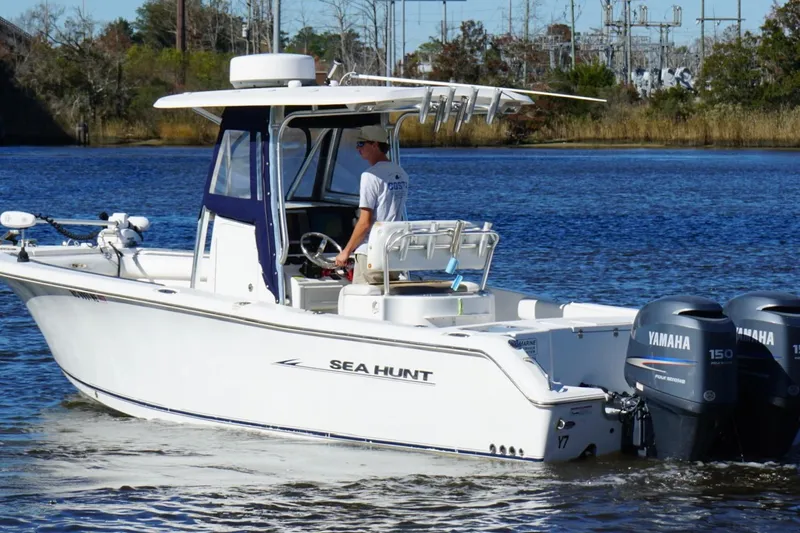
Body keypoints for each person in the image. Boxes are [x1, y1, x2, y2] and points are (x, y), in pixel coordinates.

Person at [334, 125, 409, 284]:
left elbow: (365, 222)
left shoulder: (369, 176)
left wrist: (346, 252)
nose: (357, 148)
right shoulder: (401, 173)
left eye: (361, 144)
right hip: (393, 253)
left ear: (375, 145)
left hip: (370, 253)